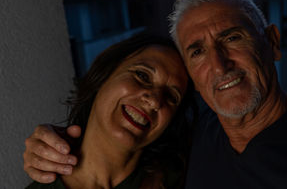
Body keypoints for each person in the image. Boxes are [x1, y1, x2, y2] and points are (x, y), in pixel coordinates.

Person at [24, 0, 287, 188]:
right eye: (198, 51)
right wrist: (54, 145)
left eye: (233, 38)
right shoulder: (193, 139)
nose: (219, 65)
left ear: (272, 43)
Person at [25, 33, 193, 188]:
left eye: (171, 97)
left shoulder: (188, 176)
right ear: (104, 74)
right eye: (142, 76)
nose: (155, 101)